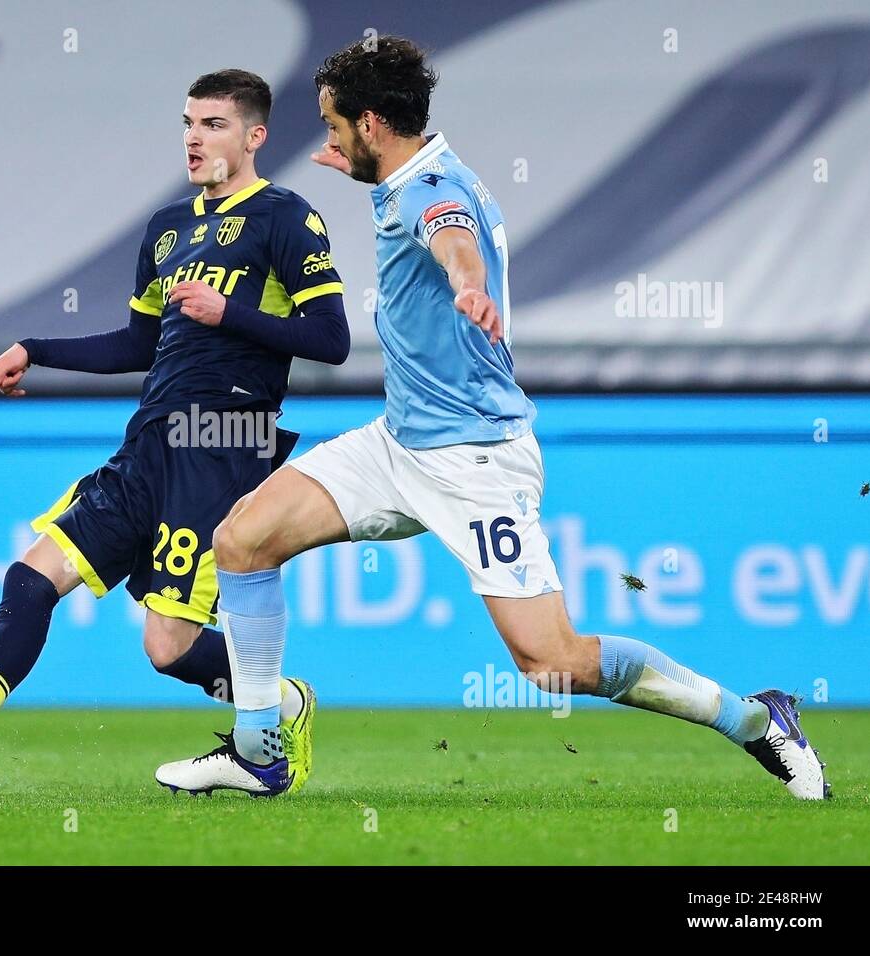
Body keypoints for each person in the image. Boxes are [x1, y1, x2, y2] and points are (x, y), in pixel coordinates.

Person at [155, 38, 829, 801]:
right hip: (397, 443)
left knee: (552, 663)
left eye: (335, 125)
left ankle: (758, 720)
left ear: (371, 123)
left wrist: (469, 285)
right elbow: (421, 210)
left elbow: (452, 238)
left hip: (475, 458)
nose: (329, 140)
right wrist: (374, 187)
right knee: (242, 540)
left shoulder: (429, 189)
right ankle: (259, 752)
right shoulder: (409, 172)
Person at [0, 69, 349, 792]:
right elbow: (138, 346)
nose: (194, 139)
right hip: (147, 444)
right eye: (188, 124)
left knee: (167, 648)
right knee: (32, 574)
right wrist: (37, 350)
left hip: (220, 446)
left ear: (255, 136)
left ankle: (282, 705)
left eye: (213, 125)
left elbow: (331, 338)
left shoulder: (286, 218)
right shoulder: (169, 228)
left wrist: (228, 313)